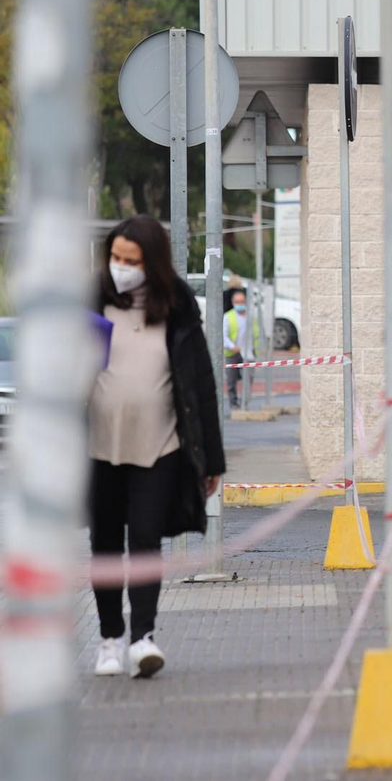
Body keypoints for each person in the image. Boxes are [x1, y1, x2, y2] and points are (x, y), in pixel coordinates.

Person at [89, 215, 224, 678]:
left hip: (160, 446)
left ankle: (142, 639)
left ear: (154, 262)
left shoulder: (178, 305)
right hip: (98, 448)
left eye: (132, 261)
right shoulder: (93, 298)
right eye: (116, 258)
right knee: (105, 544)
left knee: (145, 540)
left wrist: (213, 460)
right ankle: (110, 639)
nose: (121, 268)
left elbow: (201, 387)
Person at [223, 287, 248, 409]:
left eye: (242, 302)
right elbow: (224, 335)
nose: (240, 305)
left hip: (247, 353)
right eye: (237, 302)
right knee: (231, 380)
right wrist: (233, 347)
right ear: (233, 303)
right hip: (232, 353)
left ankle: (245, 404)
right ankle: (233, 404)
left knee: (247, 379)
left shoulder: (250, 316)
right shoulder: (228, 317)